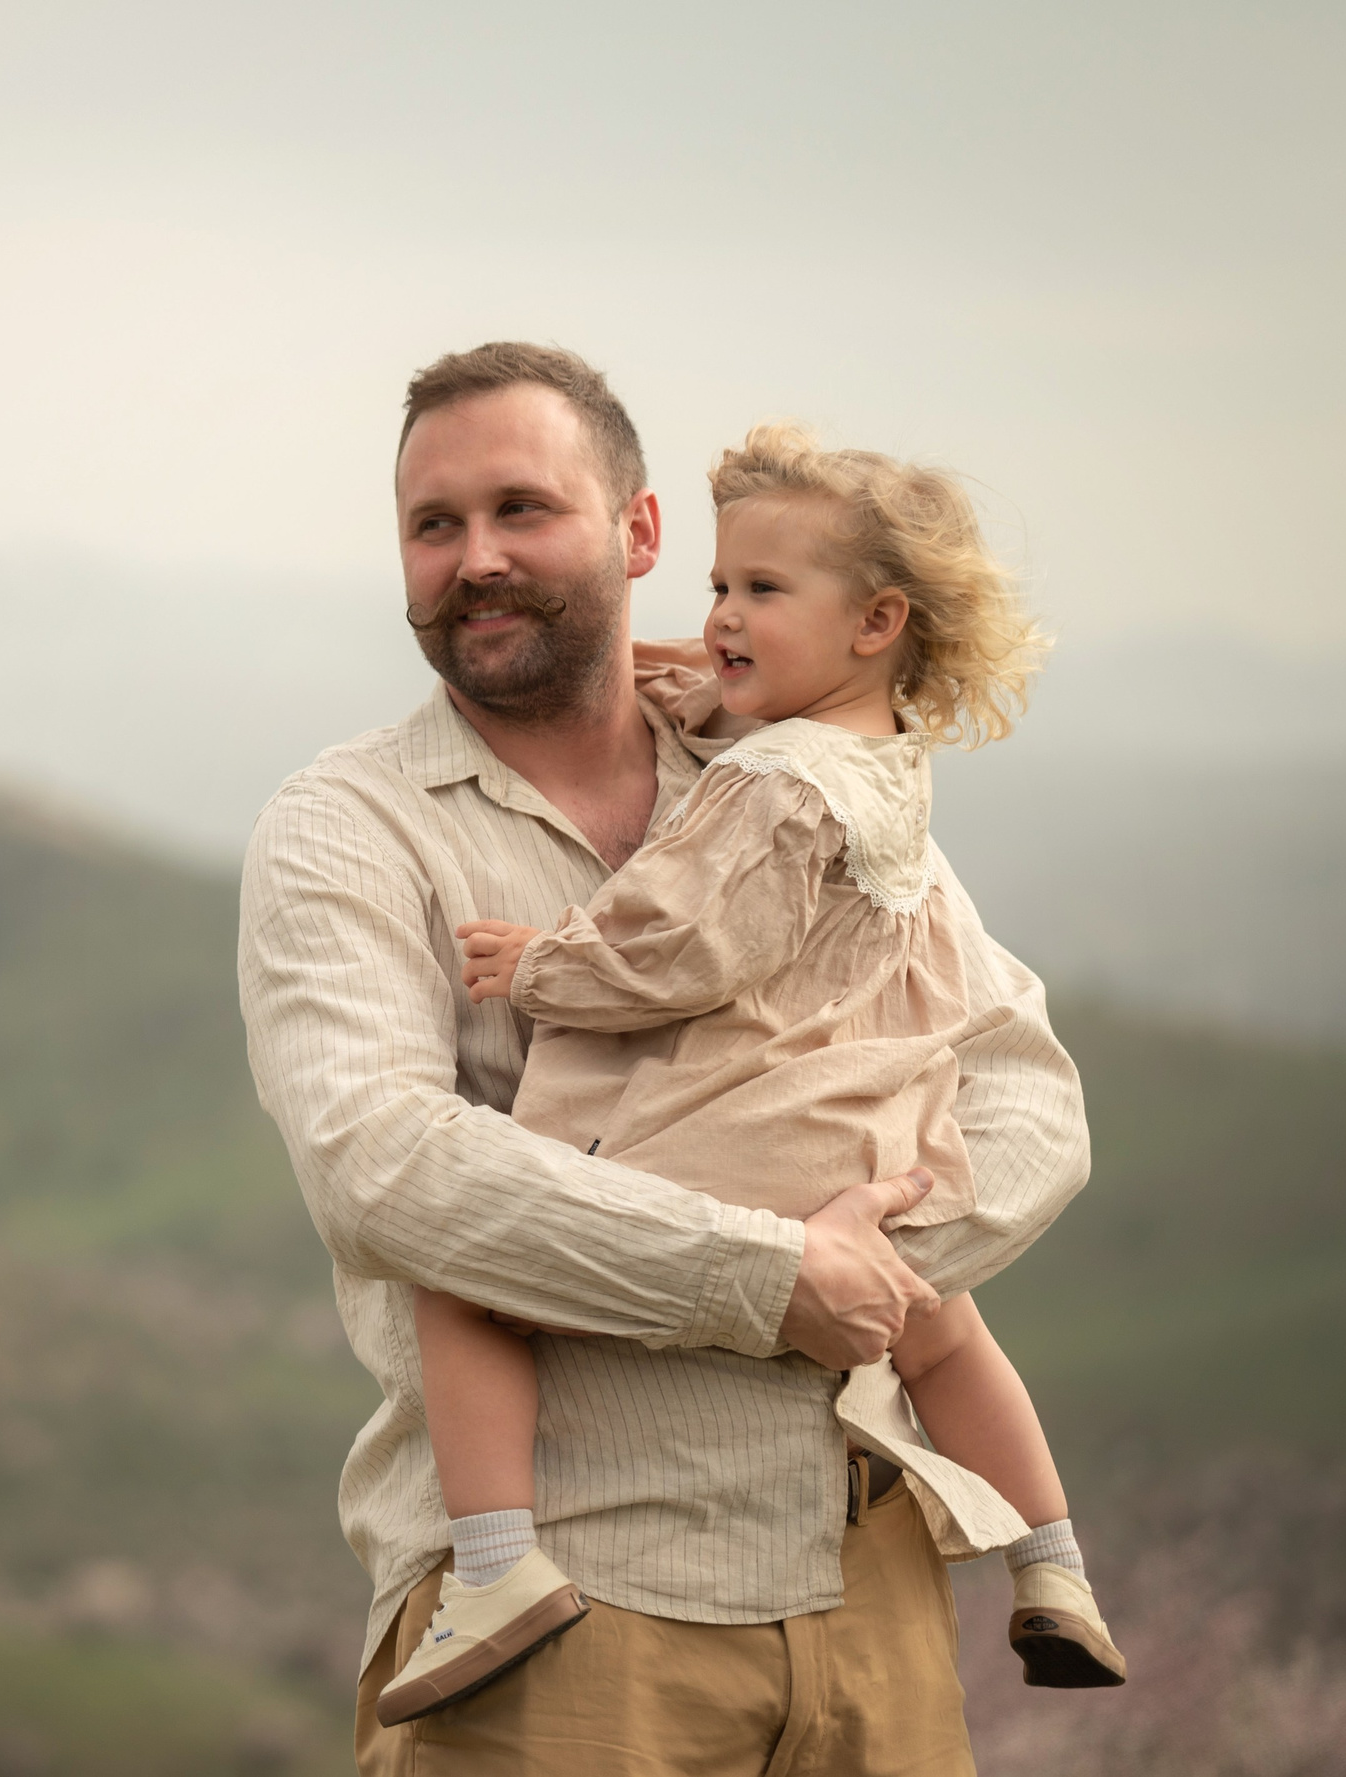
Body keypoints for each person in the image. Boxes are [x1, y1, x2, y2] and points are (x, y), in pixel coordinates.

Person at [237, 342, 1092, 1776]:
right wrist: (774, 1274)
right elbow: (383, 1173)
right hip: (564, 1618)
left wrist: (862, 1255)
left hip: (870, 1602)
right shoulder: (350, 828)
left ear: (640, 534)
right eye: (433, 525)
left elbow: (1021, 1093)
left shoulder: (799, 772)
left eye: (524, 508)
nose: (476, 557)